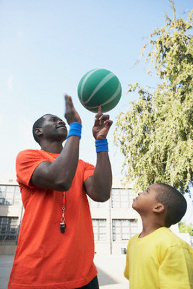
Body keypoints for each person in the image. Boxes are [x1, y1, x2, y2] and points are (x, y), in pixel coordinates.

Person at [8, 95, 113, 289]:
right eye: (52, 119)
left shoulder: (81, 166)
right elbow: (60, 179)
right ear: (38, 132)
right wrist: (76, 128)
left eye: (61, 119)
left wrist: (101, 142)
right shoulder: (27, 157)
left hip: (84, 277)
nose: (60, 120)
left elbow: (102, 193)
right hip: (37, 277)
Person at [124, 183, 193, 289]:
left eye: (147, 191)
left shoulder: (173, 246)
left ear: (158, 207)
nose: (139, 192)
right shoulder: (132, 242)